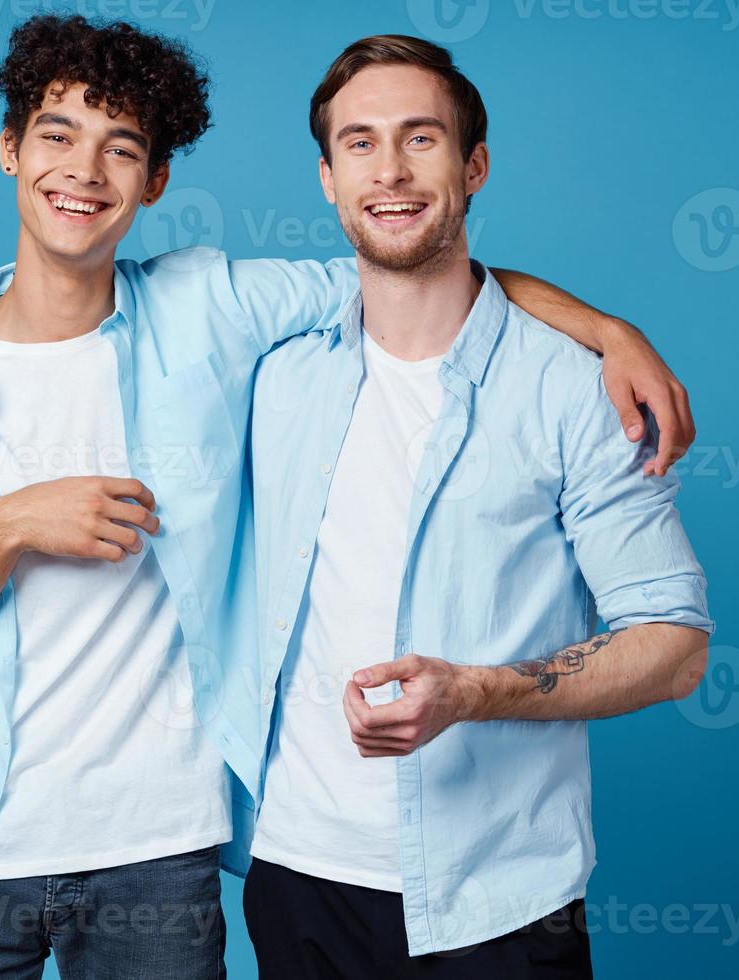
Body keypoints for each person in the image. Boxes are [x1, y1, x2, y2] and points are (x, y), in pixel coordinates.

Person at [0, 15, 698, 980]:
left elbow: (413, 260)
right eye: (55, 135)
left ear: (155, 180)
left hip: (177, 861)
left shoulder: (213, 313)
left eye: (120, 147)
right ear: (10, 149)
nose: (83, 171)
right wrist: (4, 529)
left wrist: (608, 330)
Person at [237, 36, 713, 978]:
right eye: (362, 144)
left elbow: (675, 643)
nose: (392, 170)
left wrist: (474, 692)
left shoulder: (577, 390)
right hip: (295, 877)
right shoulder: (270, 368)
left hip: (501, 896)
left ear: (474, 166)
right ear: (327, 178)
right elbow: (91, 310)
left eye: (422, 139)